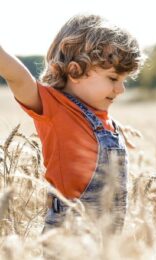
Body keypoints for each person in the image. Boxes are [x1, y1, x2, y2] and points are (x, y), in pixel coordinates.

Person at [0, 14, 145, 233]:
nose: (121, 89)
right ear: (76, 71)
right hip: (68, 233)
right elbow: (18, 77)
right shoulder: (55, 108)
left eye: (123, 81)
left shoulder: (103, 119)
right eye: (114, 79)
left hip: (106, 237)